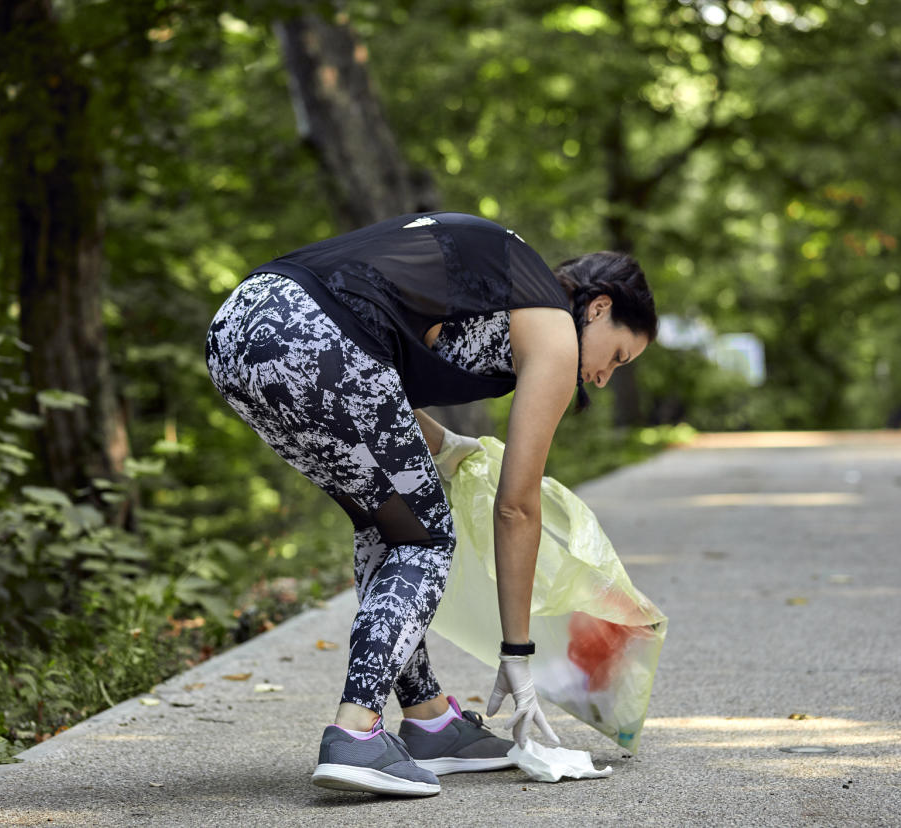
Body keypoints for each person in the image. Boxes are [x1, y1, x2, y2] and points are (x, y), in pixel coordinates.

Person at [205, 211, 657, 797]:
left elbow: (375, 356)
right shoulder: (551, 323)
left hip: (242, 327)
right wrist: (518, 656)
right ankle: (356, 732)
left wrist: (446, 446)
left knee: (385, 526)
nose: (602, 378)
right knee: (425, 538)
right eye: (617, 357)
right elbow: (516, 507)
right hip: (314, 335)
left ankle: (429, 719)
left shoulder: (503, 285)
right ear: (598, 308)